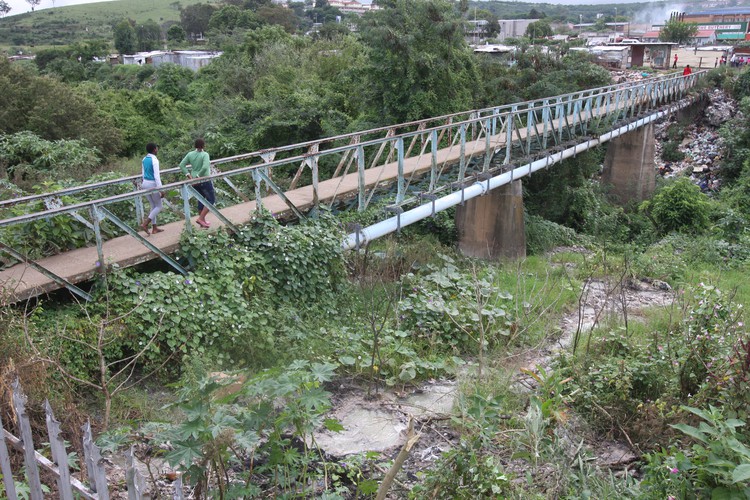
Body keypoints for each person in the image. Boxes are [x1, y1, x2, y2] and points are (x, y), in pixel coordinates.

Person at [179, 138, 213, 229]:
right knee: (211, 200)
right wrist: (198, 177)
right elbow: (205, 167)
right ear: (203, 145)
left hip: (194, 180)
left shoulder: (190, 154)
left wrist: (190, 177)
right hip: (204, 180)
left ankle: (203, 221)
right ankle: (201, 218)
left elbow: (181, 165)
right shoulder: (205, 154)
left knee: (201, 199)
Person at [140, 143, 164, 235]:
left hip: (145, 183)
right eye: (157, 148)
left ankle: (154, 228)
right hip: (152, 184)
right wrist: (161, 189)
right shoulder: (155, 160)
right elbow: (157, 176)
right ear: (154, 149)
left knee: (153, 206)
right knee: (159, 206)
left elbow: (143, 173)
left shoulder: (144, 159)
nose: (157, 150)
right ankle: (146, 224)